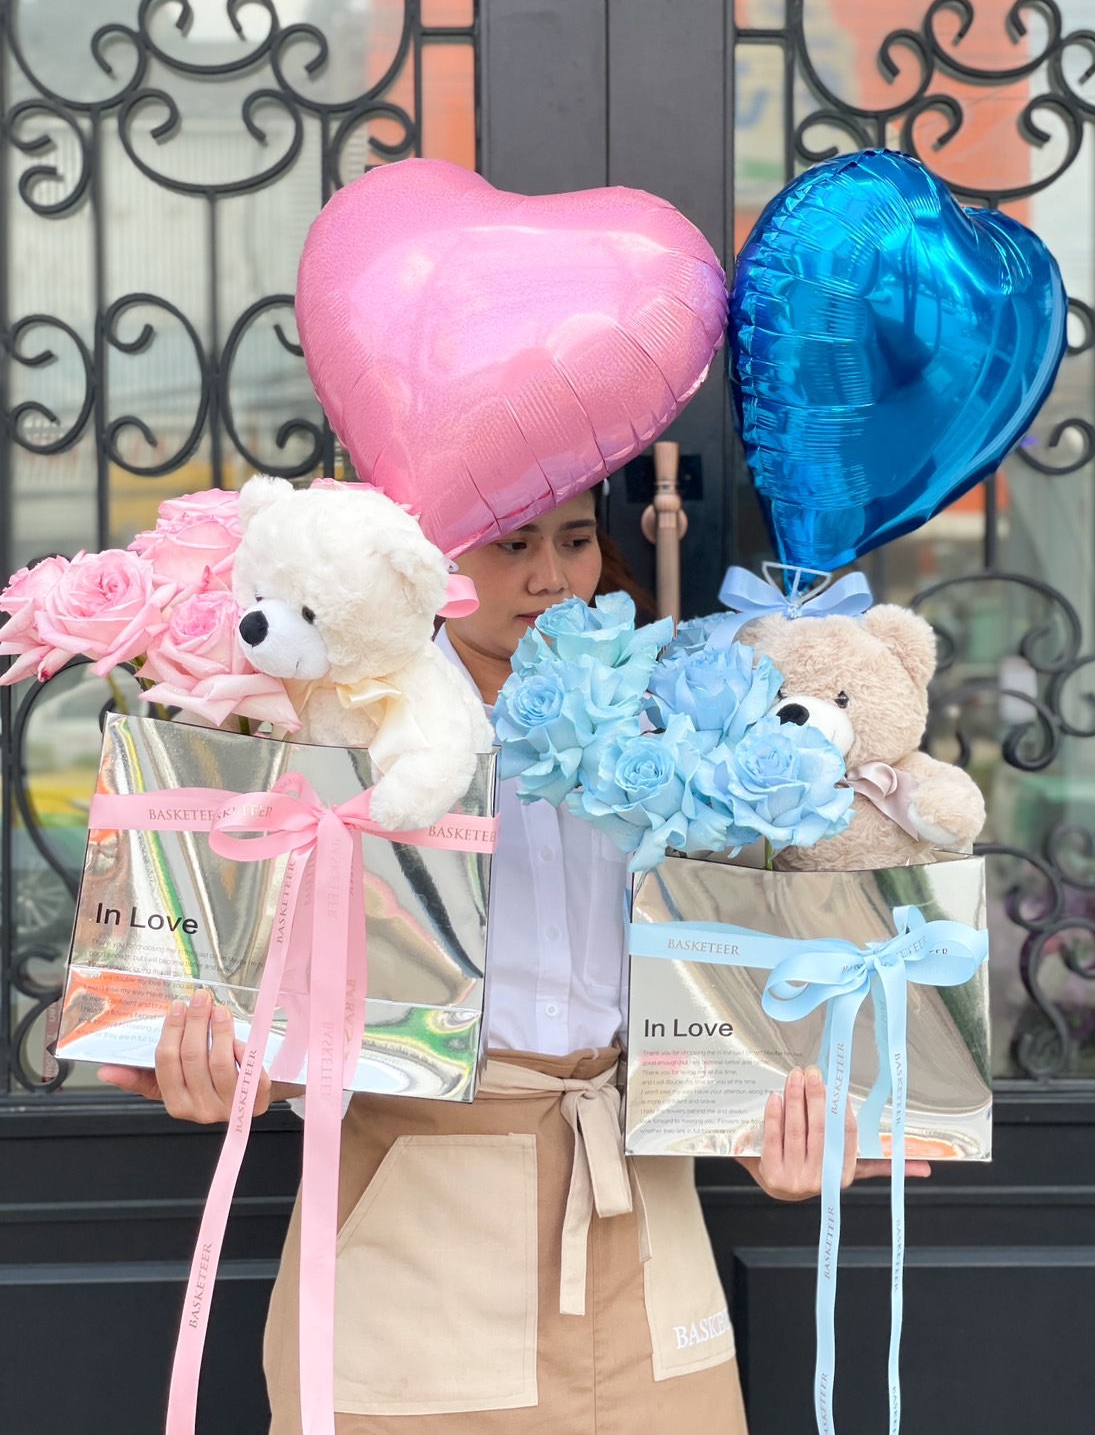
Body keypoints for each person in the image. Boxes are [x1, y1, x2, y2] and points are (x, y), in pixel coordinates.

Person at [100, 491, 930, 1433]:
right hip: (416, 1241)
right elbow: (289, 988)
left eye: (574, 540)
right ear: (431, 560)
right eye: (511, 545)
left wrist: (774, 1128)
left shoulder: (676, 727)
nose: (551, 577)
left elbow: (724, 989)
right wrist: (237, 1064)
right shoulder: (341, 729)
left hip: (639, 1225)